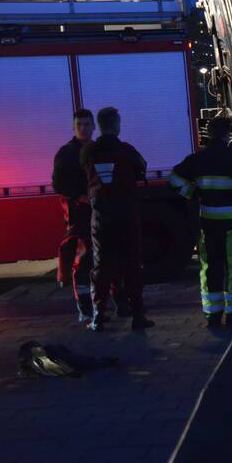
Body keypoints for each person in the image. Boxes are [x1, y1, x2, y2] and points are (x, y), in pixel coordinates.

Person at [169, 117, 232, 327]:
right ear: (227, 135)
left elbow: (174, 180)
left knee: (210, 267)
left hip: (208, 223)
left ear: (209, 134)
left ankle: (212, 315)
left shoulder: (197, 159)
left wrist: (193, 193)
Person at [52, 109, 132, 322]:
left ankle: (119, 303)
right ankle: (86, 309)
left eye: (87, 124)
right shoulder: (67, 153)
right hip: (80, 215)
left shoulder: (97, 150)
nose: (84, 128)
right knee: (84, 260)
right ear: (73, 127)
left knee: (110, 257)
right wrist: (80, 196)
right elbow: (59, 184)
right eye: (79, 125)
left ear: (94, 126)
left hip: (102, 212)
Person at [80, 107, 153, 331]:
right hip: (126, 214)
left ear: (99, 126)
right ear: (116, 124)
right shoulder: (127, 150)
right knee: (132, 263)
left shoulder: (88, 151)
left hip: (101, 216)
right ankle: (138, 316)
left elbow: (84, 172)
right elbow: (142, 169)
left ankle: (98, 317)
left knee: (101, 265)